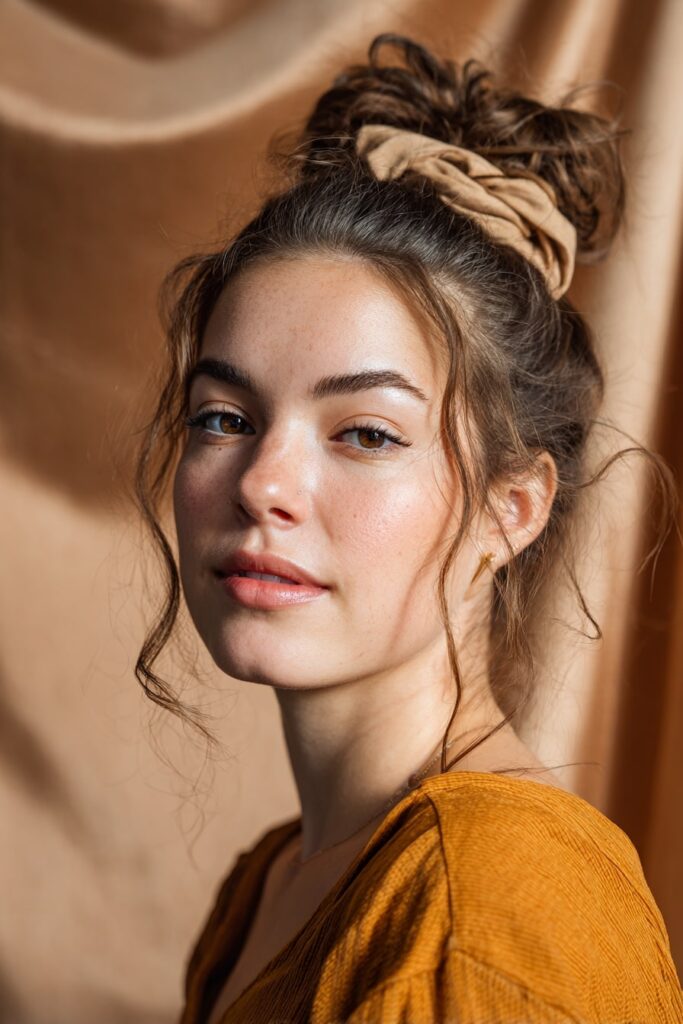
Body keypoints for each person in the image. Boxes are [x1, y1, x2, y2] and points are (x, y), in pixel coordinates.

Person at [133, 32, 683, 1023]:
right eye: (226, 416)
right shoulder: (269, 883)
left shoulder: (497, 904)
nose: (264, 482)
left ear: (506, 510)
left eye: (367, 433)